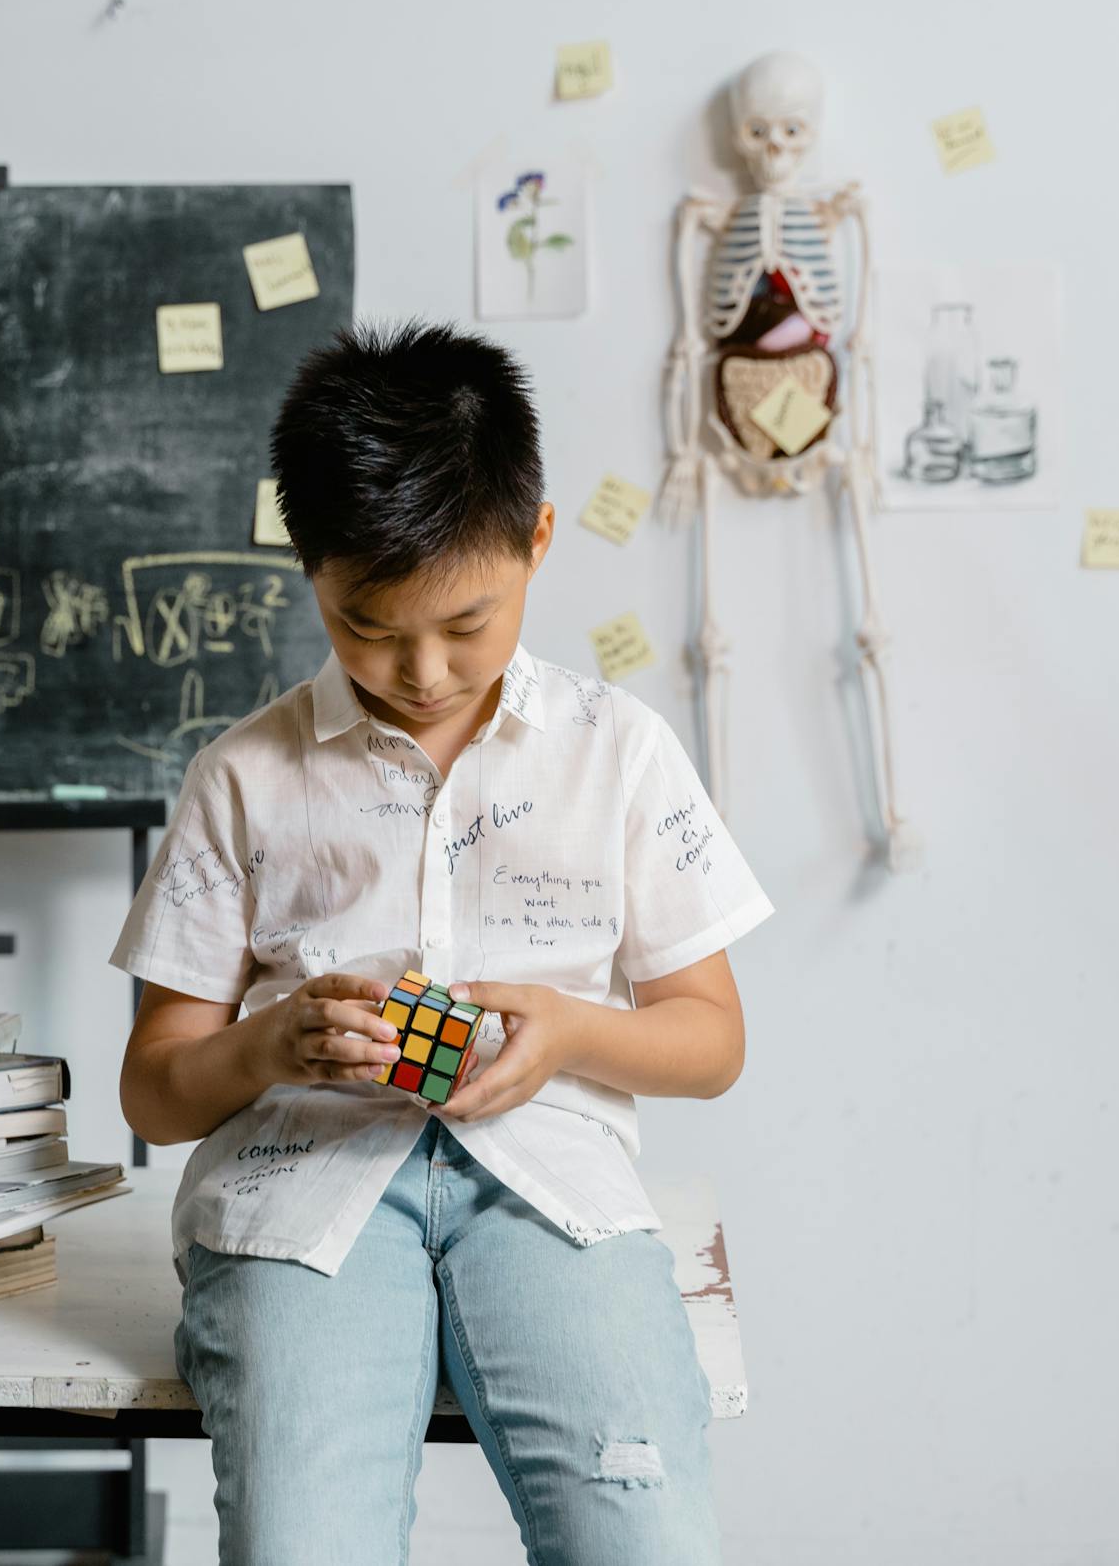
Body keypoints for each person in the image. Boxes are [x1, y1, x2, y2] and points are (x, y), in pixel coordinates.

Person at [111, 323, 770, 1565]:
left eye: (466, 623)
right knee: (304, 1544)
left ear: (537, 541)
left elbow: (712, 1039)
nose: (420, 670)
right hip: (299, 1197)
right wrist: (269, 1048)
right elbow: (153, 1088)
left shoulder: (615, 748)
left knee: (647, 1535)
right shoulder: (242, 777)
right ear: (306, 569)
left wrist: (572, 1031)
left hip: (552, 1189)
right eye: (367, 627)